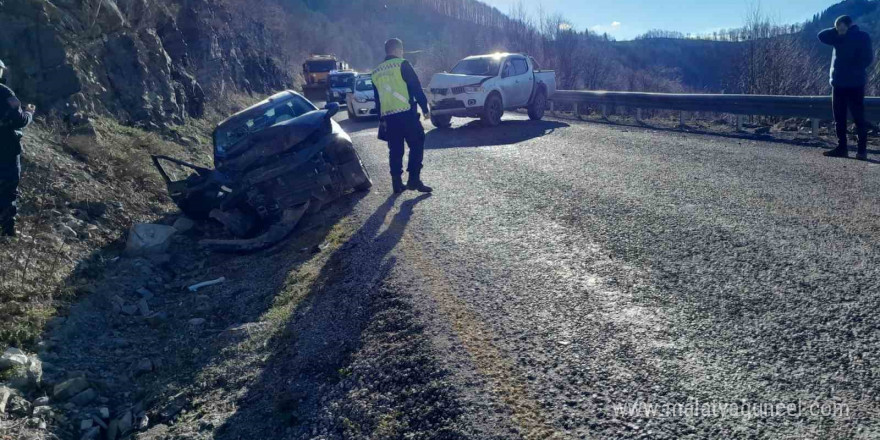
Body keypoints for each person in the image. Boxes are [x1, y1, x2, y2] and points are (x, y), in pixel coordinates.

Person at [372, 38, 433, 193]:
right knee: (417, 143)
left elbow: (377, 99)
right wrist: (424, 108)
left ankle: (397, 184)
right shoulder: (402, 64)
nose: (402, 52)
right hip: (406, 114)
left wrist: (381, 119)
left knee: (395, 150)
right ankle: (414, 179)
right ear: (398, 50)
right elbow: (416, 87)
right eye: (402, 49)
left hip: (389, 117)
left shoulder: (376, 72)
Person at [818, 15, 874, 160]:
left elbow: (868, 58)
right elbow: (821, 36)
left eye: (842, 25)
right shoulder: (837, 37)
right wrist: (837, 29)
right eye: (837, 26)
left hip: (855, 83)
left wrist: (854, 70)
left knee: (858, 118)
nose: (839, 28)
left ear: (849, 25)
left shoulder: (862, 36)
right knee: (839, 117)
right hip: (839, 83)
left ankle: (862, 151)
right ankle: (842, 147)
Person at [0, 59, 36, 236]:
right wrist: (29, 112)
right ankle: (6, 232)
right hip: (5, 150)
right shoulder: (4, 92)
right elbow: (18, 120)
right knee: (7, 190)